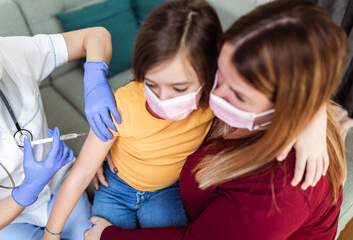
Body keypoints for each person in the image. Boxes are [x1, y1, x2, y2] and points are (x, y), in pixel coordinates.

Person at [43, 0, 331, 238]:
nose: (162, 100)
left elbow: (289, 69)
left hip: (166, 193)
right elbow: (79, 175)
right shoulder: (124, 104)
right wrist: (51, 234)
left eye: (179, 88)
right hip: (115, 188)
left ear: (207, 76)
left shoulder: (213, 100)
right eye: (151, 84)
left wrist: (312, 116)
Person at [0, 27, 116, 240]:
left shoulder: (7, 52)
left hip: (58, 184)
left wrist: (95, 80)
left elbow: (97, 34)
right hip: (6, 221)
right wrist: (25, 193)